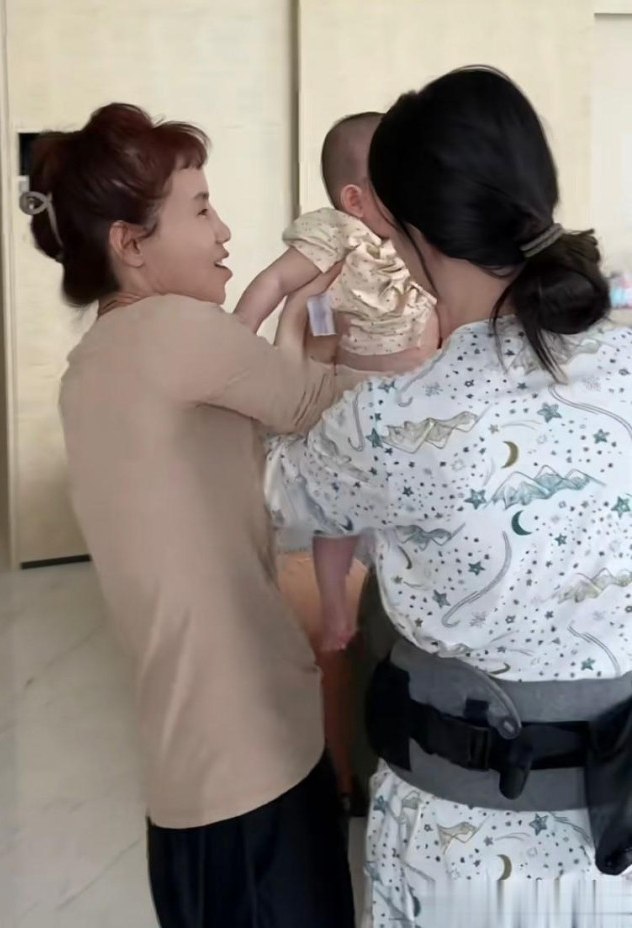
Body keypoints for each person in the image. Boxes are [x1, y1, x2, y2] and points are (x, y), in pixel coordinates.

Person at [265, 67, 632, 928]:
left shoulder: (392, 419)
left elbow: (281, 498)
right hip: (616, 842)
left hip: (463, 848)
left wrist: (292, 348)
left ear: (405, 231)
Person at [21, 102, 357, 928]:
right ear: (130, 245)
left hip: (191, 770)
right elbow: (319, 405)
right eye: (201, 209)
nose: (224, 231)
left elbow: (259, 396)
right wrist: (417, 346)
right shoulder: (177, 330)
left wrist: (294, 324)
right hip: (252, 759)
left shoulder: (100, 358)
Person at [237, 112, 438, 654]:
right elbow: (274, 281)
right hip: (355, 394)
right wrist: (237, 337)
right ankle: (334, 610)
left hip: (424, 395)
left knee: (416, 511)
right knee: (336, 515)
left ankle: (413, 608)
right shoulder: (339, 235)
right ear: (355, 200)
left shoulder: (423, 235)